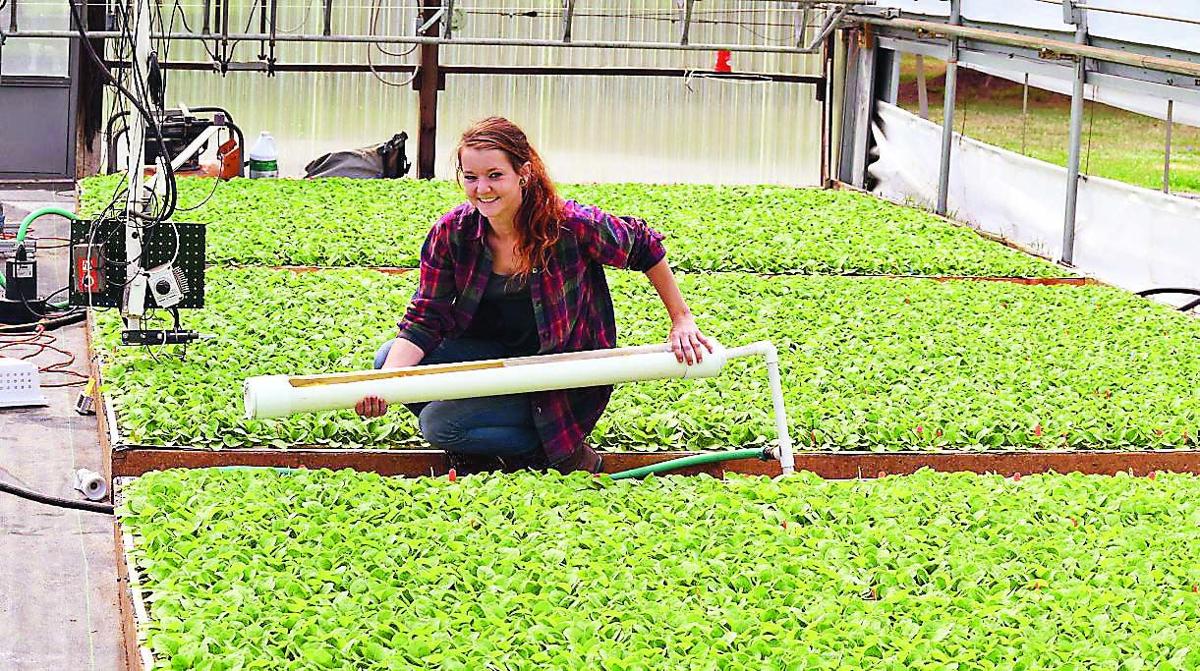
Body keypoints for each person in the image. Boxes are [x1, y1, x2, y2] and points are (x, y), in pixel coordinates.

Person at [356, 116, 712, 474]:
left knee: (439, 425)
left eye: (495, 175)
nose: (482, 188)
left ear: (523, 173)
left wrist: (681, 319)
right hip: (495, 359)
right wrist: (386, 384)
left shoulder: (569, 224)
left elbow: (644, 245)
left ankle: (559, 451)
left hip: (558, 374)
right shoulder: (453, 233)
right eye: (471, 177)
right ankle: (483, 445)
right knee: (388, 360)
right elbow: (425, 317)